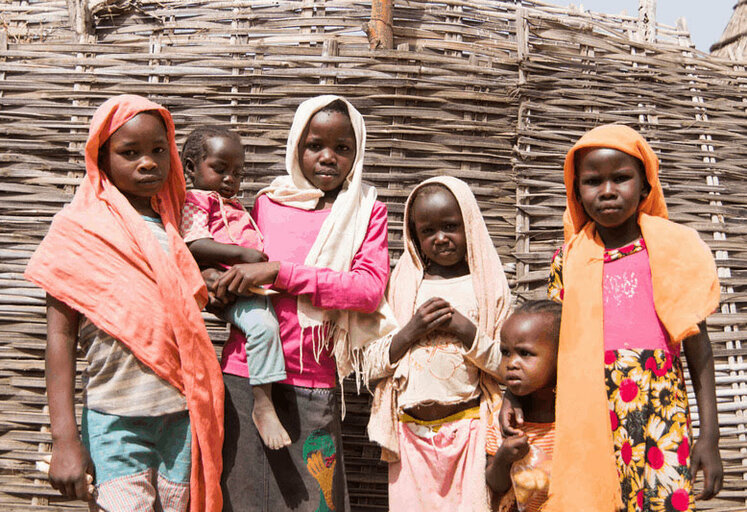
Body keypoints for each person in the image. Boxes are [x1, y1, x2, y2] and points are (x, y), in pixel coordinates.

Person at [502, 124, 723, 512]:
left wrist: (710, 436)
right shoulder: (569, 259)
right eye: (592, 181)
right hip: (588, 411)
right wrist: (511, 392)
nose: (607, 190)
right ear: (576, 191)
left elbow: (698, 346)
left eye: (621, 178)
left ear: (645, 186)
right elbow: (551, 344)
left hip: (660, 411)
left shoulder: (674, 249)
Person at [24, 95, 224, 512]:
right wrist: (64, 439)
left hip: (182, 414)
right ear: (101, 157)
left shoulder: (179, 230)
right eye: (129, 153)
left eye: (157, 151)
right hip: (114, 416)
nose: (147, 162)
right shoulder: (78, 231)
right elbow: (59, 336)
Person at [213, 95, 396, 512]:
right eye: (315, 145)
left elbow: (367, 290)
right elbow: (230, 266)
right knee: (240, 498)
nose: (328, 158)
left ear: (357, 152)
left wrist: (279, 273)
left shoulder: (366, 212)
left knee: (314, 501)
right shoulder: (267, 202)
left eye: (343, 148)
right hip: (246, 374)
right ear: (297, 145)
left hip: (312, 377)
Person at [364, 176, 511, 512]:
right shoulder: (403, 285)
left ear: (469, 225)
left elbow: (507, 366)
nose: (440, 238)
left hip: (469, 431)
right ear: (414, 234)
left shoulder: (487, 286)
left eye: (450, 226)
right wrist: (409, 331)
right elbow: (370, 365)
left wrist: (467, 331)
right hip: (409, 435)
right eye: (428, 231)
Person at [179, 126, 290, 450]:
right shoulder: (197, 200)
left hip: (247, 284)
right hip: (227, 284)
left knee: (272, 324)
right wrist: (243, 255)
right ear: (191, 167)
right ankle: (263, 403)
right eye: (220, 169)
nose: (230, 179)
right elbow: (194, 243)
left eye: (238, 173)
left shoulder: (232, 205)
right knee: (263, 327)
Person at [485, 300, 560, 512]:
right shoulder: (503, 420)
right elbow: (496, 484)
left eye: (525, 353)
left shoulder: (576, 417)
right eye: (505, 352)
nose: (511, 363)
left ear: (559, 355)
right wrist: (503, 458)